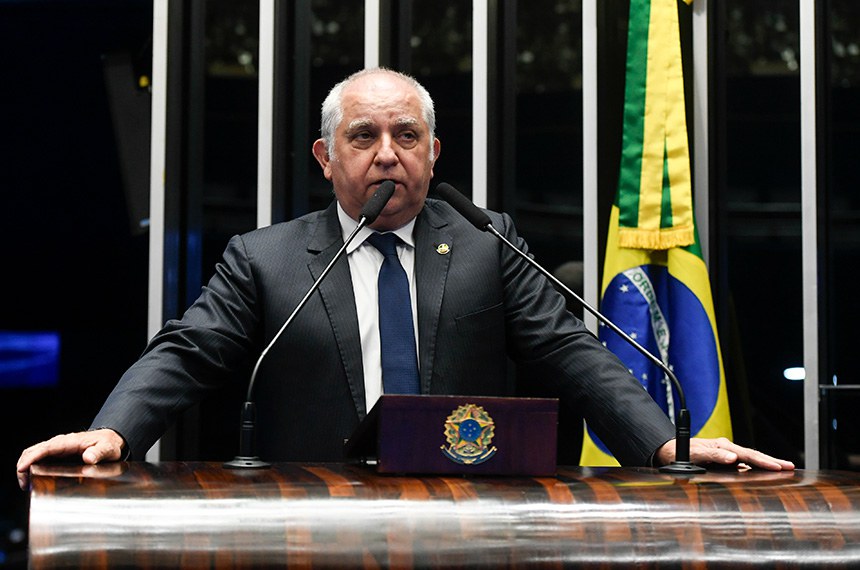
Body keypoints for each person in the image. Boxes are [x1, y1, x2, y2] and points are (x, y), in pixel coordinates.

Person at [17, 68, 793, 490]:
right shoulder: (267, 258)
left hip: (467, 517)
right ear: (328, 159)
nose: (388, 153)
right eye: (365, 135)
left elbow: (576, 356)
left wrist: (669, 446)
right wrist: (112, 430)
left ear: (433, 151)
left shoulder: (490, 245)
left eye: (407, 135)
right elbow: (187, 351)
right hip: (307, 522)